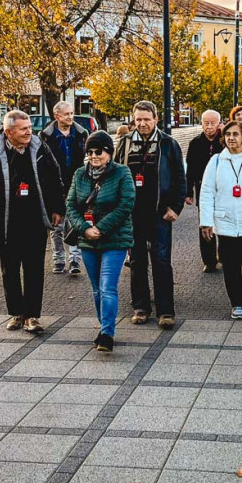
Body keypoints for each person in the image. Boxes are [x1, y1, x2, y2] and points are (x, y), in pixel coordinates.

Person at [0, 110, 65, 334]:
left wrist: (57, 209)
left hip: (34, 219)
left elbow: (54, 177)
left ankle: (32, 315)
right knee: (10, 270)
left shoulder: (40, 147)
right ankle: (16, 313)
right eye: (23, 129)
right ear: (8, 132)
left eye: (29, 127)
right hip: (5, 221)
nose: (28, 132)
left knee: (34, 269)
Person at [115, 100, 187, 329]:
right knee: (137, 262)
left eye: (147, 119)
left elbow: (180, 179)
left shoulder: (168, 143)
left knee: (161, 261)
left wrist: (175, 207)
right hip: (132, 214)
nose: (143, 124)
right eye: (139, 120)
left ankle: (166, 311)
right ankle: (141, 308)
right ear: (133, 120)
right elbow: (115, 175)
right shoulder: (125, 143)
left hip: (160, 213)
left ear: (156, 119)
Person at [67, 131, 135, 352]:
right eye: (90, 152)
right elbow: (71, 206)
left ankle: (107, 332)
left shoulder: (122, 173)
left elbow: (126, 204)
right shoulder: (80, 174)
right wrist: (85, 228)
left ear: (109, 152)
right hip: (88, 240)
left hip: (114, 239)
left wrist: (100, 228)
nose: (94, 156)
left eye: (99, 151)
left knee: (107, 287)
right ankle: (104, 324)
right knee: (96, 288)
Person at [199, 120, 242, 320]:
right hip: (227, 225)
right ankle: (237, 303)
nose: (231, 138)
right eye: (228, 134)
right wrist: (206, 221)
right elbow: (206, 192)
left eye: (235, 134)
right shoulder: (216, 161)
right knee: (231, 268)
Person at [41, 100, 89, 275]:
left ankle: (75, 260)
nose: (70, 117)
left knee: (75, 223)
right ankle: (59, 259)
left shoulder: (81, 134)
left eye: (71, 113)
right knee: (57, 225)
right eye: (66, 114)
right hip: (55, 187)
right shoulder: (46, 136)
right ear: (57, 116)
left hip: (76, 185)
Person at [185, 110, 224, 272]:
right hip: (203, 189)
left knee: (223, 222)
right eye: (205, 123)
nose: (209, 127)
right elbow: (190, 170)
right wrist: (188, 192)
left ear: (219, 123)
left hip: (223, 189)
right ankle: (209, 261)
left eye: (213, 123)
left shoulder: (224, 142)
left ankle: (225, 256)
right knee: (205, 223)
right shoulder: (195, 143)